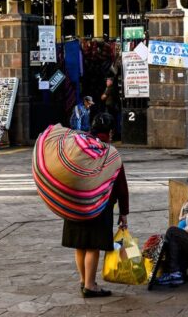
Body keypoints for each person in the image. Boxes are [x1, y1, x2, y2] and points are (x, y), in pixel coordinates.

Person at [62, 113, 128, 298]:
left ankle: (84, 280)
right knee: (92, 246)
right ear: (110, 131)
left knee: (80, 245)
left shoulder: (79, 146)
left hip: (75, 202)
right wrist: (124, 212)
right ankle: (90, 286)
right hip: (100, 205)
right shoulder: (110, 152)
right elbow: (121, 186)